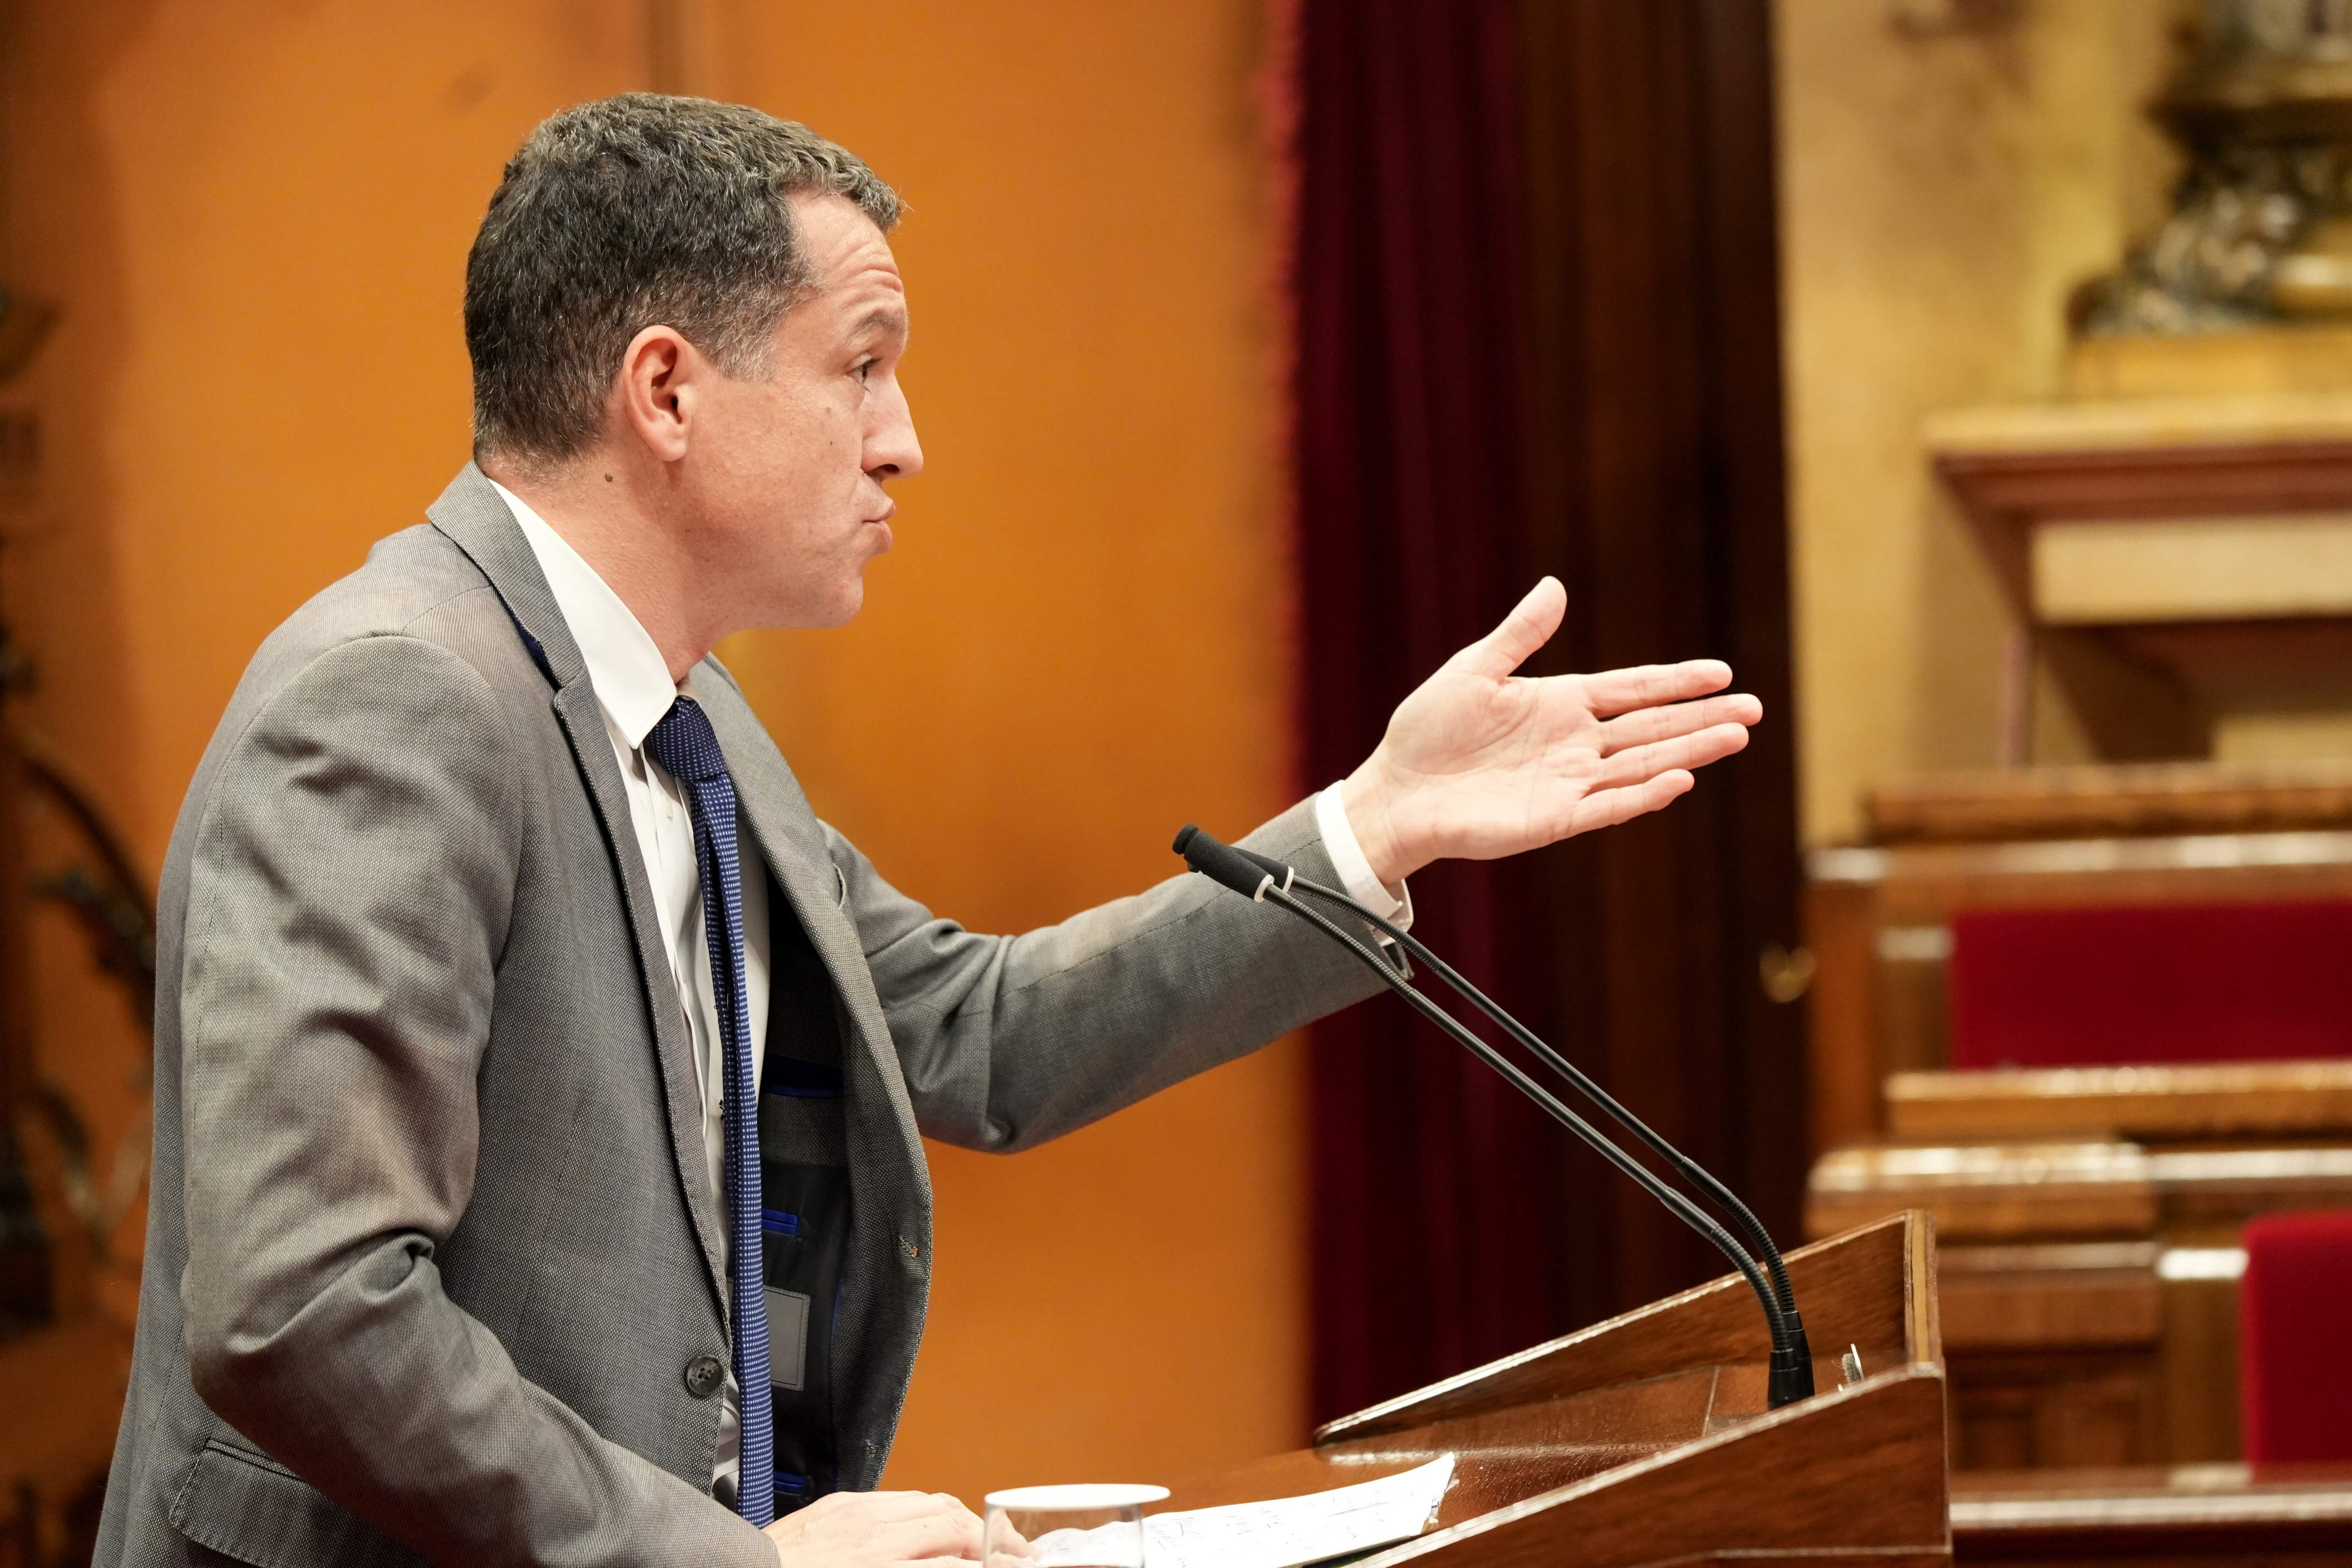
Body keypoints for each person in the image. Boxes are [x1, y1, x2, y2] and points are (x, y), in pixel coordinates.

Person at [93, 95, 1761, 1568]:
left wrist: (1371, 832)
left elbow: (970, 1033)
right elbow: (300, 1309)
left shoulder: (692, 710)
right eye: (864, 365)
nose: (906, 440)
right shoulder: (396, 702)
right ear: (664, 393)